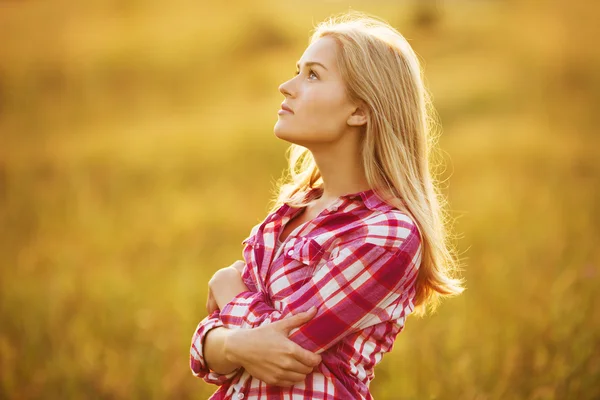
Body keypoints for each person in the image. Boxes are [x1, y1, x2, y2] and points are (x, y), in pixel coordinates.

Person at [190, 10, 465, 400]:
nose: (287, 86)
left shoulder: (387, 233)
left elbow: (289, 349)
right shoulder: (289, 214)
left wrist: (228, 293)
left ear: (360, 110)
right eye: (297, 70)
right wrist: (232, 344)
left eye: (313, 75)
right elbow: (211, 357)